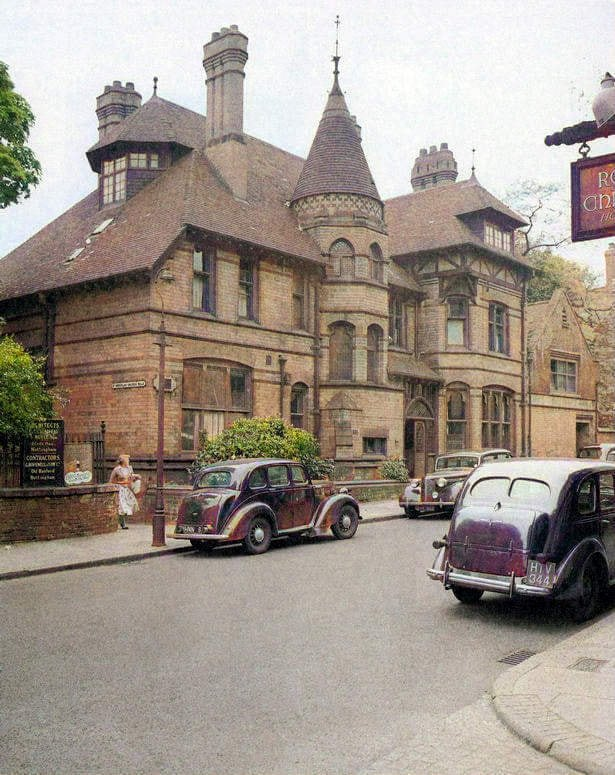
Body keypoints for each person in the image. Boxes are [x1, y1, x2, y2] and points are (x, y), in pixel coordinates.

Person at [109, 454, 141, 529]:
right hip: (120, 489)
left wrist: (136, 478)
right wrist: (115, 486)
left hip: (127, 489)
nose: (129, 461)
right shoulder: (117, 469)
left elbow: (131, 478)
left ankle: (119, 520)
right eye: (127, 459)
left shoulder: (129, 468)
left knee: (130, 505)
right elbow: (111, 481)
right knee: (122, 506)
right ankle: (122, 523)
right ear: (123, 461)